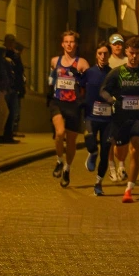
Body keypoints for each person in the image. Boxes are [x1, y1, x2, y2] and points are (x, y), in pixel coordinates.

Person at [99, 36, 139, 203]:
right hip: (121, 118)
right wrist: (112, 101)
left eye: (137, 53)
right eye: (131, 53)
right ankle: (119, 162)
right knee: (120, 152)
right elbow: (103, 91)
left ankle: (129, 189)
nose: (134, 56)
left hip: (138, 117)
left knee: (135, 149)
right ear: (126, 52)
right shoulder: (117, 72)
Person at [48, 30, 89, 187]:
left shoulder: (82, 63)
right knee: (59, 133)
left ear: (76, 44)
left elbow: (88, 84)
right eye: (66, 42)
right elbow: (51, 80)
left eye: (72, 42)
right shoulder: (55, 61)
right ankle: (59, 160)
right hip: (58, 101)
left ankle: (67, 168)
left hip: (74, 105)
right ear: (62, 44)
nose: (69, 44)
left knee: (71, 141)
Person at [83, 41, 114, 196]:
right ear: (96, 54)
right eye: (100, 53)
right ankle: (92, 152)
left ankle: (98, 182)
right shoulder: (89, 72)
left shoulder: (113, 74)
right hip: (91, 115)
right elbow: (79, 87)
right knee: (90, 140)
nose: (102, 56)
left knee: (106, 151)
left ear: (109, 55)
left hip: (108, 120)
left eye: (105, 54)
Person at [0, 33, 26, 144]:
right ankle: (2, 135)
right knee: (5, 112)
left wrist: (20, 87)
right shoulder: (2, 53)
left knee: (12, 112)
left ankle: (8, 135)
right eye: (11, 42)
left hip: (13, 87)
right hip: (5, 87)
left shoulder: (15, 55)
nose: (12, 44)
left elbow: (20, 71)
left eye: (13, 42)